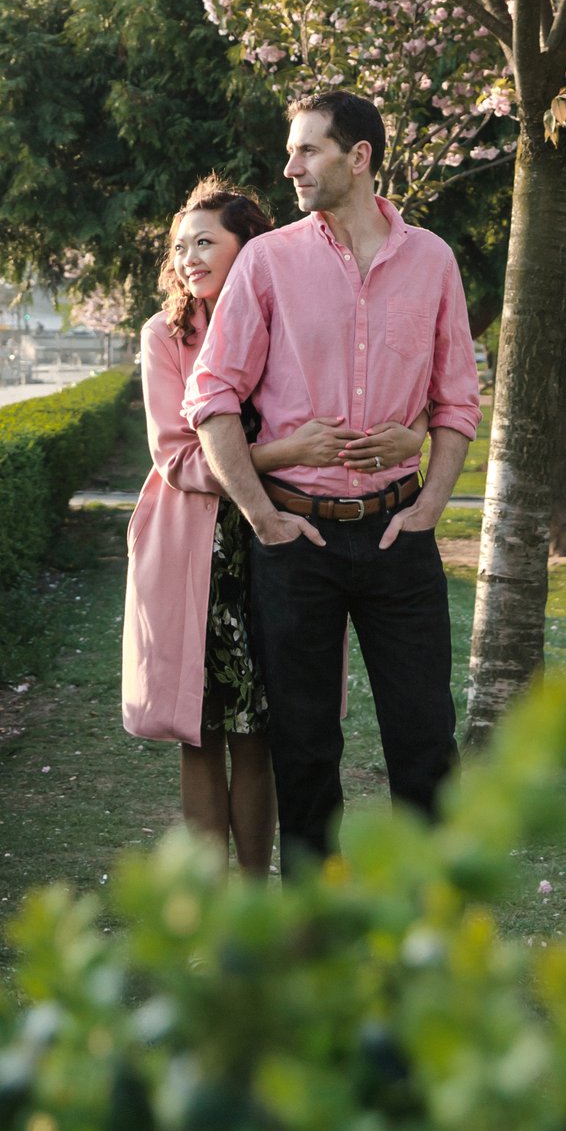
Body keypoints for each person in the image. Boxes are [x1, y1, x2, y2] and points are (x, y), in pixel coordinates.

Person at [185, 91, 480, 870]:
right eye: (292, 151)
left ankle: (430, 928)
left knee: (425, 745)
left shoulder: (433, 260)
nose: (291, 167)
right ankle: (313, 935)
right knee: (306, 752)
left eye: (309, 150)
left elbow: (457, 401)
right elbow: (210, 397)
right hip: (296, 541)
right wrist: (262, 517)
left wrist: (431, 504)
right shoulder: (269, 261)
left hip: (397, 535)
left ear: (360, 157)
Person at [121, 175, 425, 874]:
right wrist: (281, 453)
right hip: (199, 551)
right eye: (180, 246)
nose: (189, 257)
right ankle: (206, 906)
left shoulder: (286, 312)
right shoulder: (166, 335)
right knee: (200, 735)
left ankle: (255, 901)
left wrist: (409, 438)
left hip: (283, 549)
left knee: (262, 733)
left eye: (206, 242)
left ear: (248, 248)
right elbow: (178, 457)